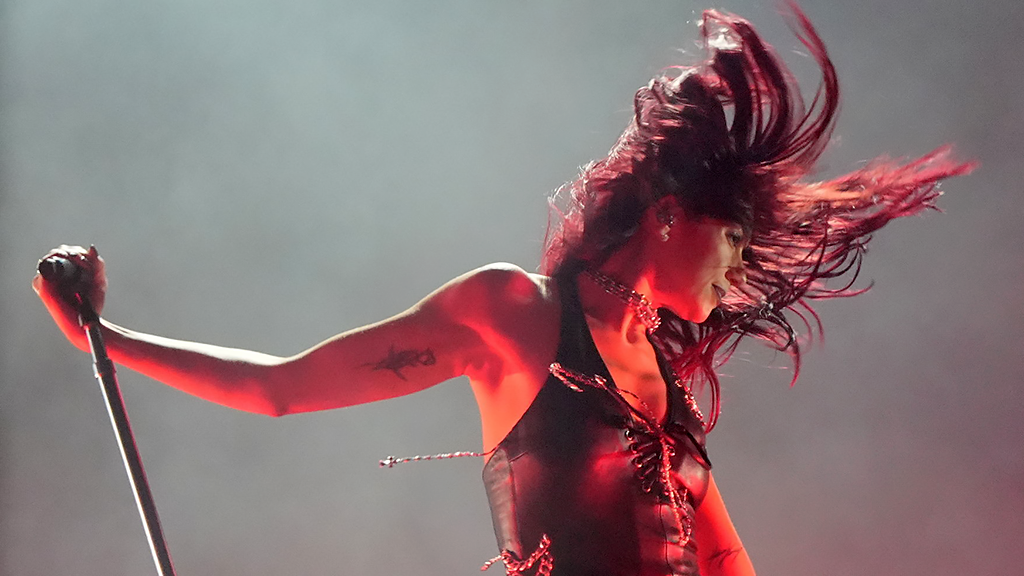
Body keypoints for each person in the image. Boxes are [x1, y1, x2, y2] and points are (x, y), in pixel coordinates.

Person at [33, 6, 972, 576]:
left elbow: (725, 559)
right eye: (733, 239)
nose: (736, 273)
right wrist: (105, 343)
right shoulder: (513, 315)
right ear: (671, 214)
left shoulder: (662, 380)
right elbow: (281, 388)